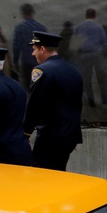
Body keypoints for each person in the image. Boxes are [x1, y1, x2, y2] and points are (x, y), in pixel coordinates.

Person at [23, 31, 84, 171]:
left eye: (34, 50)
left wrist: (25, 133)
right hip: (70, 135)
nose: (33, 54)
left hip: (50, 136)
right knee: (59, 172)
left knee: (42, 176)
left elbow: (35, 105)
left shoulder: (41, 71)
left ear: (42, 49)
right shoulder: (72, 70)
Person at [74, 8, 107, 107]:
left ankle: (91, 101)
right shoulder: (99, 27)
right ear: (95, 16)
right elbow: (104, 42)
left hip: (84, 55)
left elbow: (75, 40)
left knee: (87, 78)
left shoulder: (79, 27)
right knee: (101, 77)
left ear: (85, 16)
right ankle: (104, 100)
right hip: (96, 54)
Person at [12, 3, 45, 89]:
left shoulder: (19, 28)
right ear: (32, 12)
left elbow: (16, 46)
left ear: (22, 13)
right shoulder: (41, 28)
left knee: (28, 87)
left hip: (27, 63)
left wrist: (15, 62)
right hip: (40, 62)